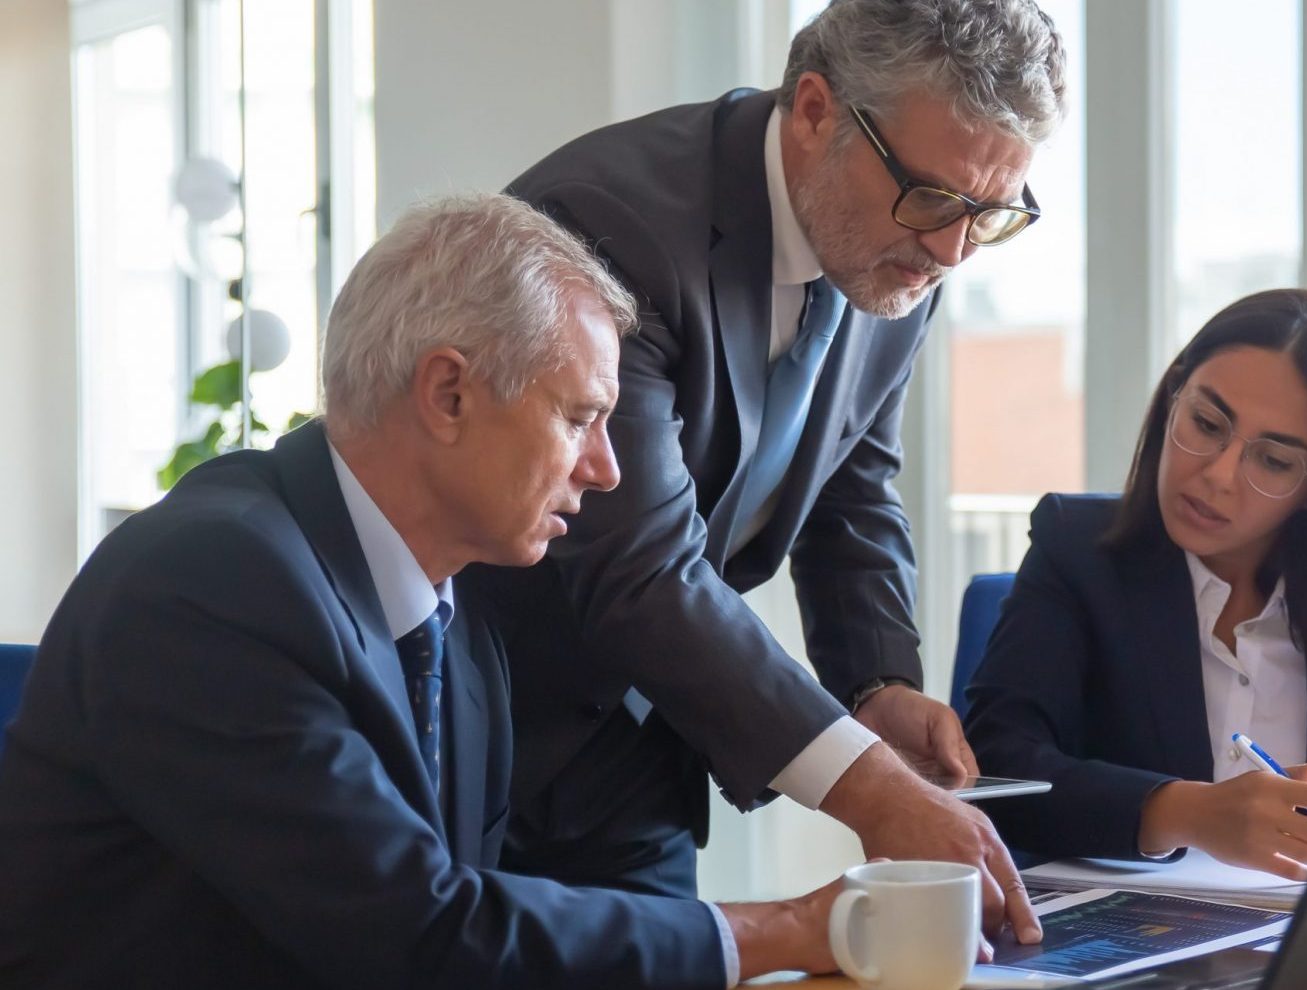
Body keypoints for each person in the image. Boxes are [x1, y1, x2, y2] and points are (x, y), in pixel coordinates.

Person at [0, 194, 846, 987]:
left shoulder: (460, 620)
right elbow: (415, 932)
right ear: (448, 393)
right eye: (580, 418)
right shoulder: (206, 582)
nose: (606, 470)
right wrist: (782, 931)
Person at [473, 0, 1064, 938]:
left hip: (640, 745)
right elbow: (638, 568)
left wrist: (878, 687)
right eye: (937, 200)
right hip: (482, 726)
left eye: (990, 215)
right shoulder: (610, 226)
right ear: (818, 110)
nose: (951, 252)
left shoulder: (905, 249)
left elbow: (852, 487)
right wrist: (864, 789)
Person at [962, 289, 1307, 880]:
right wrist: (1185, 812)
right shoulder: (1076, 551)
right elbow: (997, 769)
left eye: (1273, 461)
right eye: (1206, 423)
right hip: (1135, 943)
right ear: (1173, 395)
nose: (1217, 474)